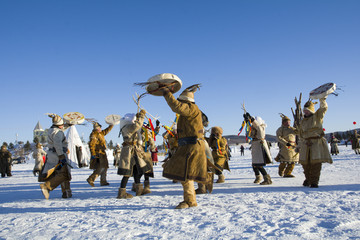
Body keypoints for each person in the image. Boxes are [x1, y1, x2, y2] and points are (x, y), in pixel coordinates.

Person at [161, 84, 208, 209]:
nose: (179, 103)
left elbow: (176, 106)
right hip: (187, 145)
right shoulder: (191, 109)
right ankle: (190, 199)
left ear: (185, 101)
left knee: (186, 173)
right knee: (185, 174)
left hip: (191, 145)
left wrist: (167, 93)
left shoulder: (191, 108)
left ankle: (190, 201)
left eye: (181, 101)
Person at [297, 98, 332, 188]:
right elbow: (301, 134)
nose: (306, 112)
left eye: (307, 110)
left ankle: (314, 182)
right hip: (305, 143)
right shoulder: (303, 121)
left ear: (311, 110)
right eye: (304, 110)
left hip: (316, 143)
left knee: (315, 163)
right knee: (305, 164)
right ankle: (308, 179)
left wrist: (322, 100)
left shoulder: (317, 116)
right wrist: (299, 145)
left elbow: (324, 108)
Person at [117, 111, 152, 198]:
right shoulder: (128, 127)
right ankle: (122, 193)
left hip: (134, 151)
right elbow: (137, 125)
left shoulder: (127, 126)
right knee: (127, 173)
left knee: (136, 170)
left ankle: (139, 190)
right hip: (130, 152)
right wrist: (141, 115)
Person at [39, 114, 72, 199]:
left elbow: (60, 130)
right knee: (64, 174)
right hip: (58, 154)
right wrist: (61, 156)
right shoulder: (58, 133)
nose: (63, 126)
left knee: (61, 173)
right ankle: (47, 187)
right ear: (59, 125)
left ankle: (66, 192)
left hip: (52, 154)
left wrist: (68, 125)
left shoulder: (51, 129)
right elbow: (58, 145)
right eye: (62, 124)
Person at [244, 113, 272, 185]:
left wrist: (253, 120)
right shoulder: (253, 128)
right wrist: (247, 122)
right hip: (255, 145)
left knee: (259, 164)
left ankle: (267, 179)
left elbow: (260, 133)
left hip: (260, 145)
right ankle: (258, 177)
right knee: (254, 164)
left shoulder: (261, 128)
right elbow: (248, 137)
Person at [87, 122, 114, 187]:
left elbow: (107, 131)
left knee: (105, 167)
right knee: (101, 167)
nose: (101, 128)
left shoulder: (100, 133)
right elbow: (91, 145)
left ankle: (103, 181)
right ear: (97, 128)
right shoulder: (94, 135)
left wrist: (111, 125)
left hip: (102, 153)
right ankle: (91, 179)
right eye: (100, 127)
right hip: (98, 153)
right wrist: (93, 153)